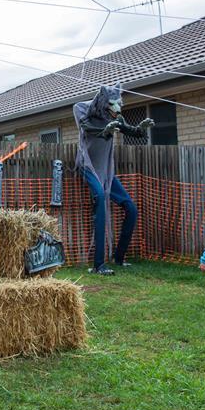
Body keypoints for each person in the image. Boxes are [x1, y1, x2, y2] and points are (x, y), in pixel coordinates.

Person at [73, 84, 154, 275]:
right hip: (88, 166)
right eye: (112, 104)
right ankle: (99, 264)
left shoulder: (115, 116)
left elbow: (131, 131)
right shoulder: (81, 109)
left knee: (131, 208)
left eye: (119, 104)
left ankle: (119, 257)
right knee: (100, 199)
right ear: (102, 102)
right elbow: (88, 129)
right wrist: (106, 131)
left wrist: (140, 129)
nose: (117, 108)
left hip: (106, 171)